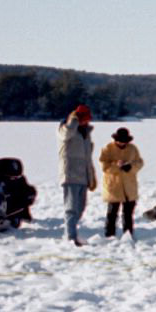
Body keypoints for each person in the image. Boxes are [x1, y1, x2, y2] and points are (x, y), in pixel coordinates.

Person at [56, 104, 97, 246]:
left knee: (80, 208)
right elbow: (66, 134)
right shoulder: (65, 129)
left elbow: (87, 158)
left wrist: (91, 176)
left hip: (83, 177)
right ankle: (70, 237)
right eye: (84, 119)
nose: (87, 122)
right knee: (71, 208)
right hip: (70, 175)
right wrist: (73, 120)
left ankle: (71, 233)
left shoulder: (85, 134)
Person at [99, 126, 144, 240]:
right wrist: (117, 166)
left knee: (128, 213)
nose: (122, 143)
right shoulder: (107, 148)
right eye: (120, 141)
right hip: (113, 186)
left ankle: (128, 234)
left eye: (124, 142)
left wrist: (130, 167)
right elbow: (104, 166)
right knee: (112, 212)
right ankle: (109, 235)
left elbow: (139, 163)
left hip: (129, 186)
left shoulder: (133, 149)